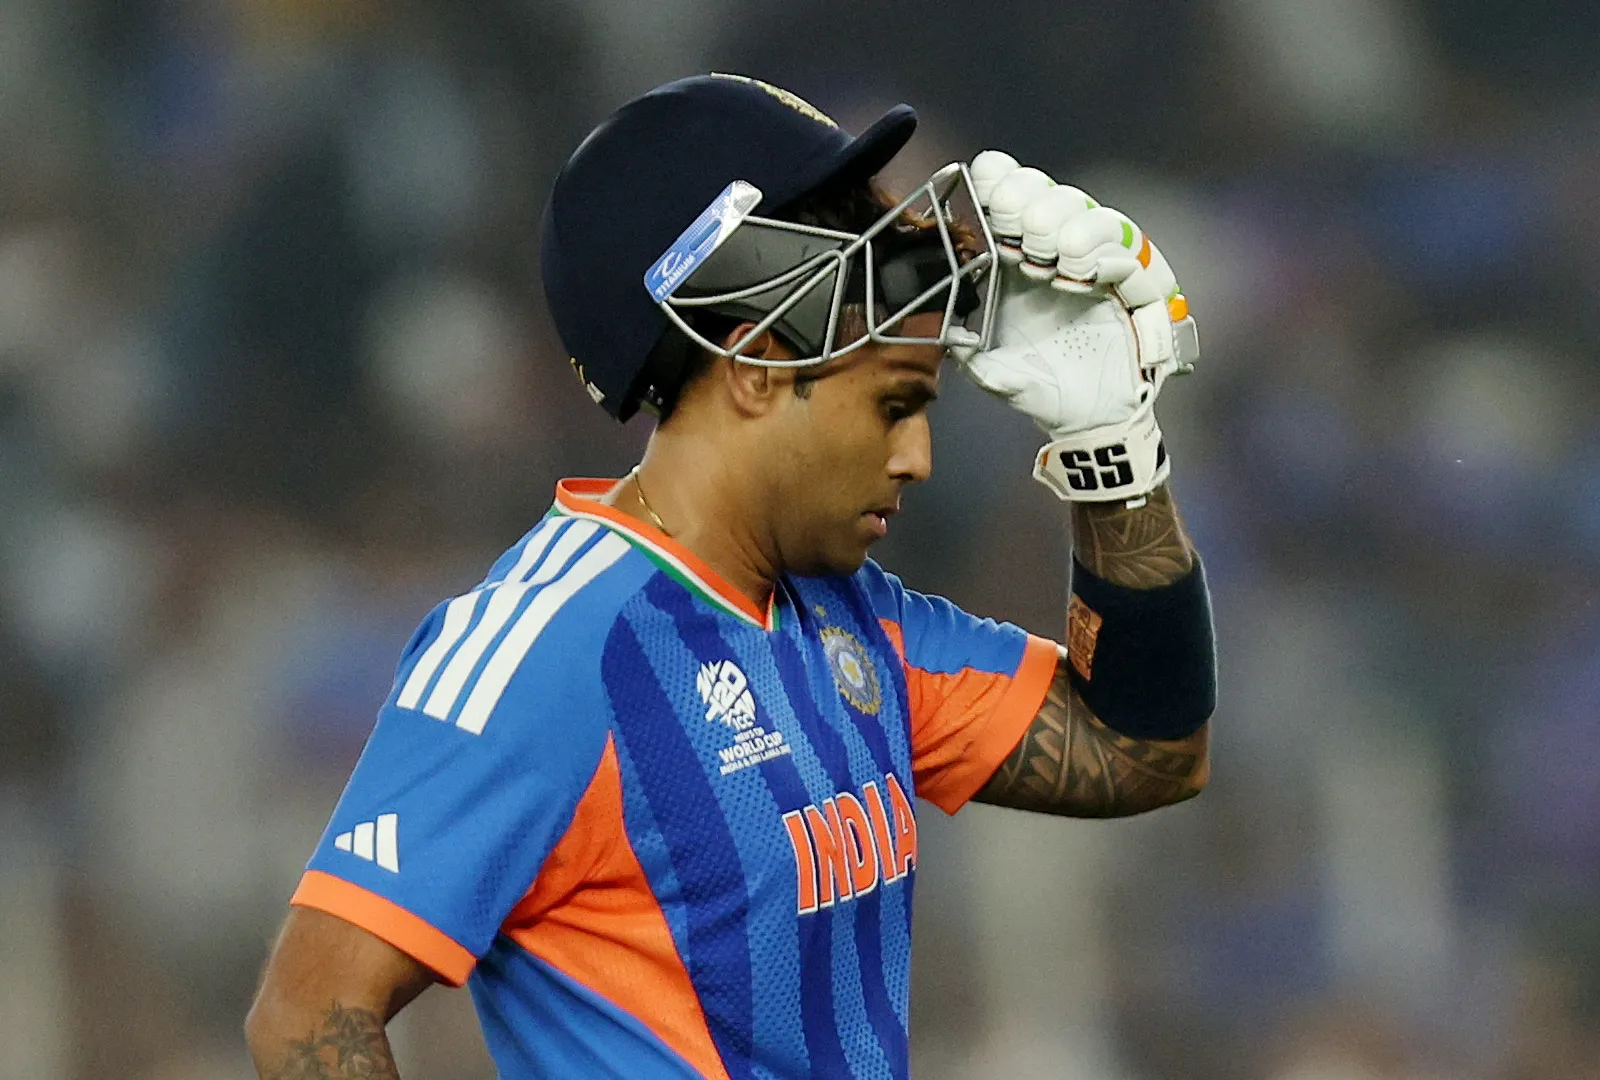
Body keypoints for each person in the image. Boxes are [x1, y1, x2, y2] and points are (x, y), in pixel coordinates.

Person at [244, 73, 1215, 1080]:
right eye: (892, 406)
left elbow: (1144, 753)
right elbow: (306, 1013)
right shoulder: (549, 649)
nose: (918, 457)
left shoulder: (853, 616)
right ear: (753, 368)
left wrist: (1111, 454)